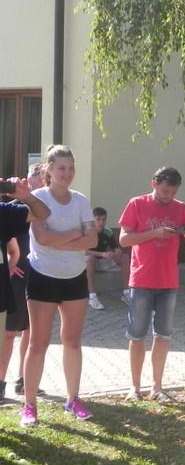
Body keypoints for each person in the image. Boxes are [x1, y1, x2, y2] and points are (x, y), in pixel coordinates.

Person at [21, 145, 98, 426]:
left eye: (71, 168)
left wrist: (60, 239)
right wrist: (76, 233)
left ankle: (73, 399)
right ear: (49, 170)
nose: (67, 173)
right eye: (62, 168)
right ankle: (29, 405)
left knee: (72, 341)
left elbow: (92, 240)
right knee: (38, 342)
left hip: (75, 277)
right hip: (42, 276)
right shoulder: (37, 199)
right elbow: (42, 239)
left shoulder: (80, 200)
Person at [118, 167, 185, 402]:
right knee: (137, 335)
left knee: (163, 335)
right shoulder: (137, 204)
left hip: (168, 281)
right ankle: (134, 387)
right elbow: (124, 239)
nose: (168, 196)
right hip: (141, 280)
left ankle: (157, 387)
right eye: (165, 191)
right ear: (154, 184)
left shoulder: (181, 208)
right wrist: (155, 233)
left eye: (173, 192)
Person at [0, 170, 50, 401]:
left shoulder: (5, 211)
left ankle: (21, 381)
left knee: (26, 331)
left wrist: (25, 196)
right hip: (16, 281)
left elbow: (42, 214)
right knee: (9, 333)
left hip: (31, 275)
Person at [86, 207, 131, 310]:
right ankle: (92, 296)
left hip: (103, 260)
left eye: (104, 219)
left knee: (124, 257)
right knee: (91, 258)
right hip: (87, 261)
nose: (101, 222)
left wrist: (115, 253)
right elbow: (83, 251)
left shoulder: (108, 231)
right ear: (92, 220)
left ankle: (126, 293)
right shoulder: (87, 231)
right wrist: (102, 254)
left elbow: (117, 248)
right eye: (98, 219)